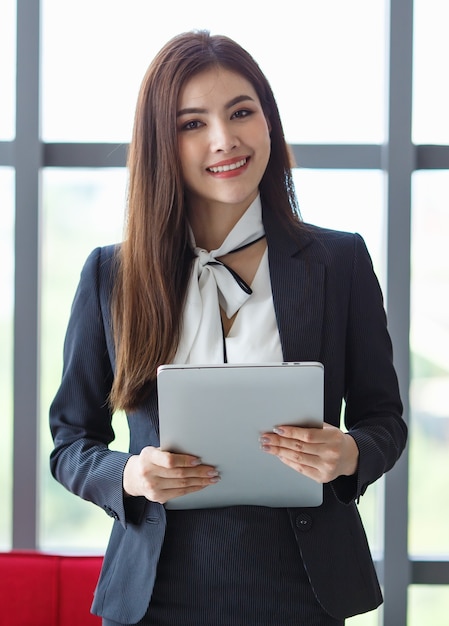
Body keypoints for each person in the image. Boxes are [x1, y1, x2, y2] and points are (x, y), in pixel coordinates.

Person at [49, 30, 407, 626]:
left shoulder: (339, 263)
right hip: (157, 591)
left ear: (268, 122)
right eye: (193, 124)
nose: (224, 139)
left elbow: (385, 422)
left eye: (241, 111)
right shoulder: (114, 275)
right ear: (164, 143)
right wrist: (130, 473)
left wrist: (347, 454)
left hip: (300, 588)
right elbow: (69, 444)